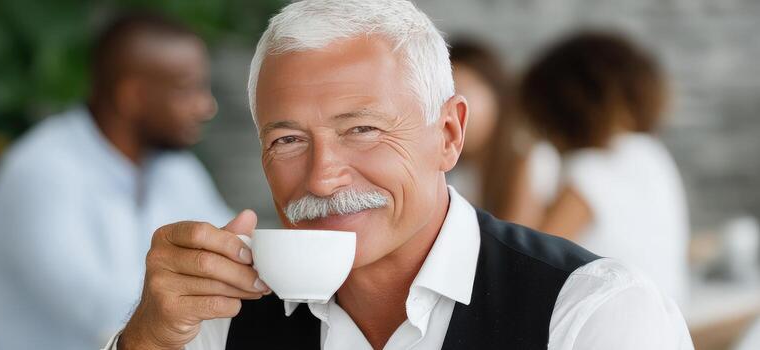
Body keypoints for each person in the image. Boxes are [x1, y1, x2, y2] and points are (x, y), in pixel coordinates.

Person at [107, 1, 693, 349]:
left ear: (449, 135)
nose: (323, 178)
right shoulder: (216, 319)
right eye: (287, 140)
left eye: (362, 129)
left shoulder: (595, 315)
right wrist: (146, 339)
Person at [0, 12, 232, 350]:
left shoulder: (176, 169)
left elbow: (231, 249)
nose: (207, 106)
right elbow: (103, 312)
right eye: (187, 89)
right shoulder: (41, 172)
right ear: (133, 97)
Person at [519, 31, 690, 306]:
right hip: (668, 319)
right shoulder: (650, 152)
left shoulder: (589, 172)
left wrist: (525, 155)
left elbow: (525, 268)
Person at [444, 38, 560, 227]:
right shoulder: (459, 173)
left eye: (461, 93)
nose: (448, 113)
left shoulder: (533, 158)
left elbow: (519, 238)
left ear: (495, 93)